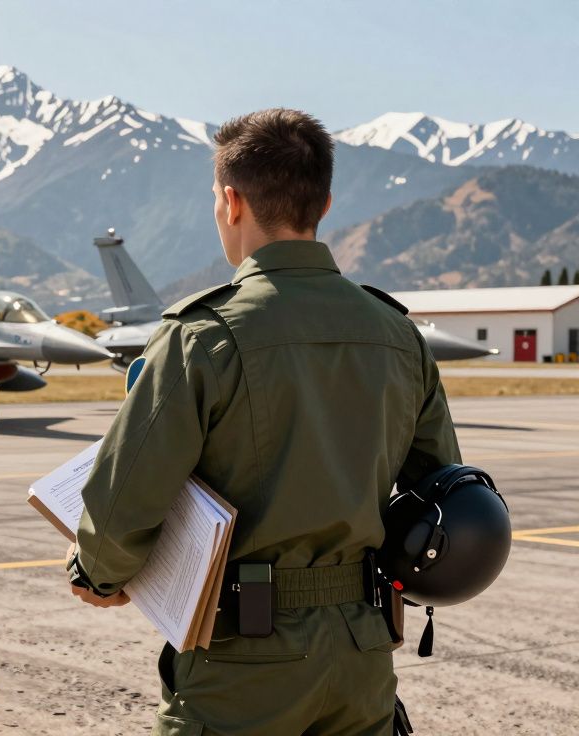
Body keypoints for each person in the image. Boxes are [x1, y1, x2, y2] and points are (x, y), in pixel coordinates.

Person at [65, 108, 461, 735]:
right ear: (325, 204)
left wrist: (98, 572)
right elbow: (445, 494)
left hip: (241, 661)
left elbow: (121, 508)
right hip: (362, 654)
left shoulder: (203, 336)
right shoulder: (399, 335)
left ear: (230, 202)